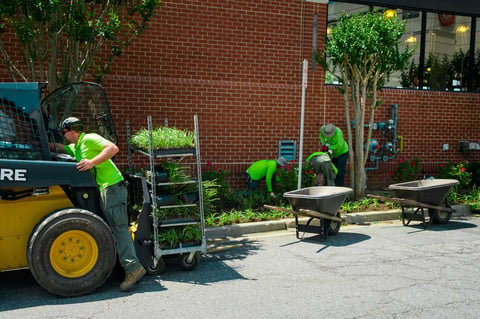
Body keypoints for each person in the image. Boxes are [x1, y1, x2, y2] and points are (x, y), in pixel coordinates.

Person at [59, 117, 145, 292]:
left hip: (112, 187)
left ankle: (133, 268)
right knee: (114, 228)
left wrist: (92, 162)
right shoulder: (78, 146)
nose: (64, 137)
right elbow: (61, 148)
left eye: (63, 133)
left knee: (119, 228)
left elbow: (113, 148)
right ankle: (124, 266)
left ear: (70, 131)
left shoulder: (90, 138)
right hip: (106, 189)